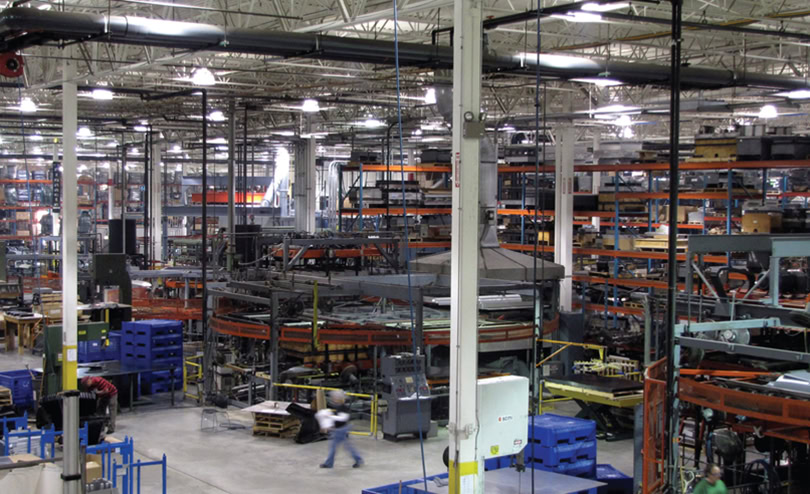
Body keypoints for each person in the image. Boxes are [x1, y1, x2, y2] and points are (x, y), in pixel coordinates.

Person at [319, 390, 363, 469]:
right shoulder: (338, 406)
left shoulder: (343, 407)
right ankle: (358, 459)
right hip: (339, 429)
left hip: (341, 430)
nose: (333, 398)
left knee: (338, 447)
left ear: (338, 398)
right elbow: (337, 420)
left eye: (334, 397)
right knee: (346, 446)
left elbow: (343, 418)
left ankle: (329, 463)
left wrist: (330, 417)